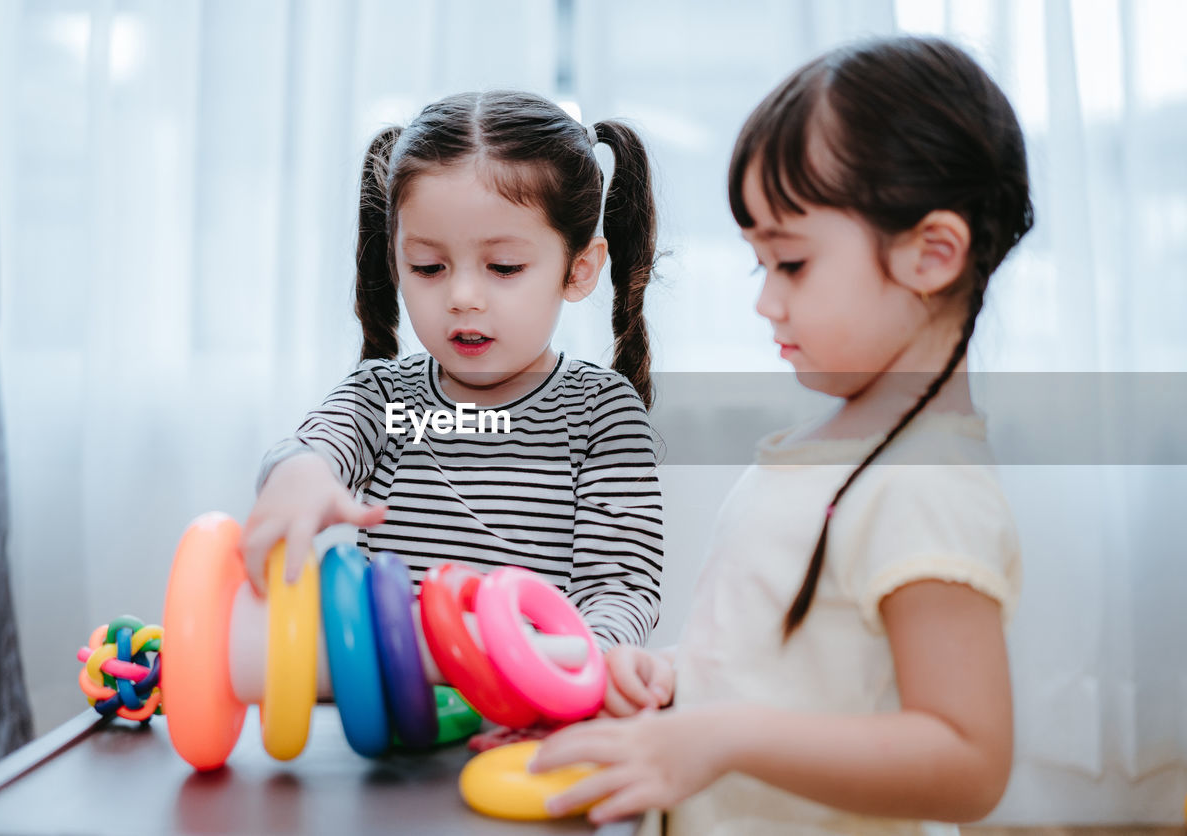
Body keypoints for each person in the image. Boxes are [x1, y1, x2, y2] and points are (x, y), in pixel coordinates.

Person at [530, 36, 1033, 834]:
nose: (765, 302)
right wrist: (669, 682)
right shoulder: (819, 451)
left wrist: (725, 734)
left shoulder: (928, 487)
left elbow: (970, 763)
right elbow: (786, 676)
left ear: (932, 254)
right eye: (758, 264)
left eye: (791, 264)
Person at [243, 90, 664, 651]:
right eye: (430, 267)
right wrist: (298, 473)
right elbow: (311, 448)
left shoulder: (601, 413)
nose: (463, 297)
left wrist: (581, 664)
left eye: (504, 267)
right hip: (398, 719)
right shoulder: (381, 401)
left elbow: (621, 590)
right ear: (395, 262)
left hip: (536, 711)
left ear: (579, 268)